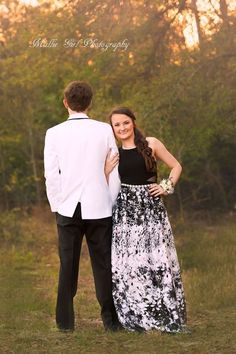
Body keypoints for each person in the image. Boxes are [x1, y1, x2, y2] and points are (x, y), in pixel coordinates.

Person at [44, 81, 121, 332]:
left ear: (65, 103)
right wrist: (111, 201)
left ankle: (65, 324)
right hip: (100, 205)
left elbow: (51, 176)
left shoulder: (53, 133)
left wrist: (57, 205)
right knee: (104, 264)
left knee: (67, 264)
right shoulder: (104, 130)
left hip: (67, 208)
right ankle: (111, 322)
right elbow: (114, 170)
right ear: (90, 103)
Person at [105, 107, 188, 333]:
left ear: (133, 122)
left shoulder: (151, 144)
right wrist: (105, 171)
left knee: (157, 261)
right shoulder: (113, 152)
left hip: (151, 210)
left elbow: (176, 166)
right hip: (125, 214)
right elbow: (105, 185)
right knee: (129, 265)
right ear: (112, 129)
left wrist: (165, 187)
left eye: (125, 123)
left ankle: (164, 314)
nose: (122, 128)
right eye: (117, 125)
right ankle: (136, 316)